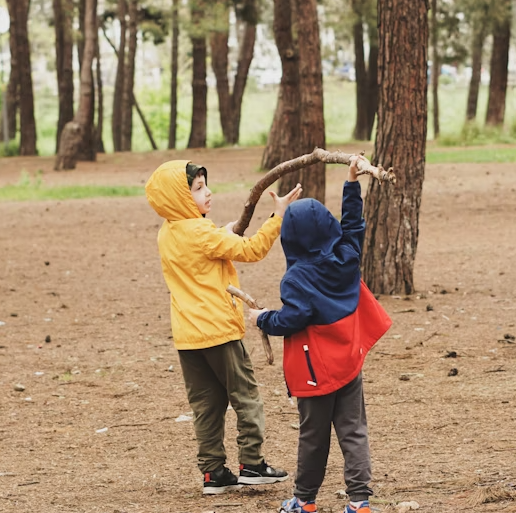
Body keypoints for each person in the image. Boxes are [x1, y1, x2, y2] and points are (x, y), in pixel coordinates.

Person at [145, 160, 302, 495]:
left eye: (205, 185)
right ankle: (252, 464)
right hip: (218, 332)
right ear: (178, 197)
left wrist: (222, 233)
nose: (208, 192)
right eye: (198, 188)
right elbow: (253, 249)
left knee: (206, 405)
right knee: (246, 396)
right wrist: (278, 218)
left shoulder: (169, 232)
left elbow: (205, 247)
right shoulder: (201, 233)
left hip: (188, 337)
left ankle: (213, 472)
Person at [248, 157, 392, 513]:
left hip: (316, 372)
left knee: (313, 437)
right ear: (328, 228)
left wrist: (262, 318)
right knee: (353, 431)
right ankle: (360, 502)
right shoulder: (346, 256)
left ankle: (304, 500)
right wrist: (351, 183)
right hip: (349, 362)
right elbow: (353, 227)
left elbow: (292, 320)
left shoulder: (296, 279)